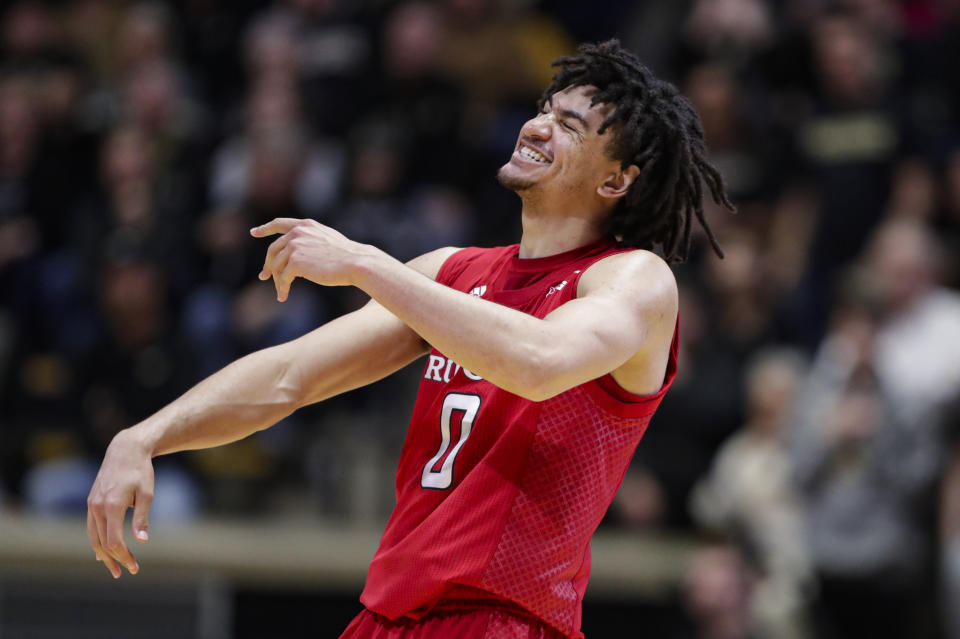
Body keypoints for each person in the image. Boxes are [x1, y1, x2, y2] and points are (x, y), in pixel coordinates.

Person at [86, 40, 732, 639]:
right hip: (389, 612)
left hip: (501, 616)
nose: (538, 126)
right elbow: (291, 375)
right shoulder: (453, 273)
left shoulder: (634, 279)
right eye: (544, 110)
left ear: (616, 179)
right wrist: (145, 435)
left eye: (570, 125)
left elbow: (540, 360)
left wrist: (367, 263)